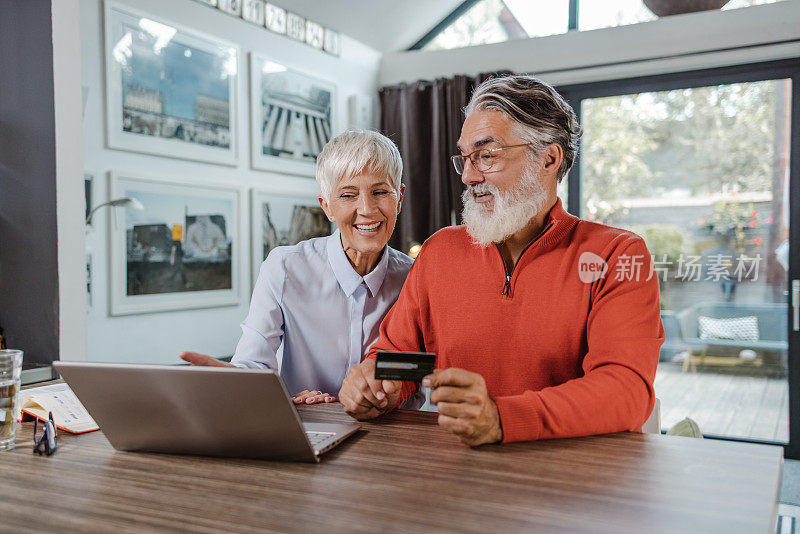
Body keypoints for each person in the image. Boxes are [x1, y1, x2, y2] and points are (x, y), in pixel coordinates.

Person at [338, 76, 665, 445]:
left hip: (575, 482)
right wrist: (377, 386)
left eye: (487, 155)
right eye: (465, 157)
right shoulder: (440, 251)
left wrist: (503, 419)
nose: (469, 176)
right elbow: (401, 358)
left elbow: (625, 391)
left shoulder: (618, 254)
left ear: (549, 158)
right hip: (457, 473)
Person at [181, 129, 419, 407]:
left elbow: (415, 374)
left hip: (390, 435)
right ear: (327, 206)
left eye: (380, 192)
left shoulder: (415, 279)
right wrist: (233, 379)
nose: (366, 209)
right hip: (308, 428)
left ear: (399, 198)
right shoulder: (283, 268)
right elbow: (254, 363)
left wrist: (390, 392)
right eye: (348, 195)